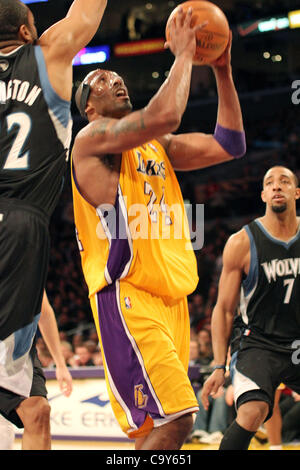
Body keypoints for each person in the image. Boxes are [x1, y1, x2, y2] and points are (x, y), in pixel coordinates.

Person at [71, 7, 245, 450]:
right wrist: (185, 54)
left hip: (172, 301)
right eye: (103, 80)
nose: (116, 81)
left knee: (157, 429)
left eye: (117, 76)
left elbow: (230, 144)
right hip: (128, 296)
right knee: (180, 420)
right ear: (90, 106)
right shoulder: (90, 140)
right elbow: (164, 115)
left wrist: (222, 70)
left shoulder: (157, 146)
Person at [0, 0, 107, 450]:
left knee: (34, 407)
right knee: (25, 403)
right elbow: (87, 13)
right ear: (28, 32)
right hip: (18, 225)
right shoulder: (47, 55)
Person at [201, 166, 300, 450]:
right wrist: (219, 365)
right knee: (253, 411)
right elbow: (223, 309)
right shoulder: (242, 242)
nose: (277, 186)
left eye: (284, 181)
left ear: (297, 192)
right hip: (259, 343)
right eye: (270, 183)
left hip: (297, 339)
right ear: (263, 194)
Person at [0, 291, 73, 450]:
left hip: (20, 348)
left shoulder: (32, 268)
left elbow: (44, 311)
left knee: (39, 410)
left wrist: (60, 364)